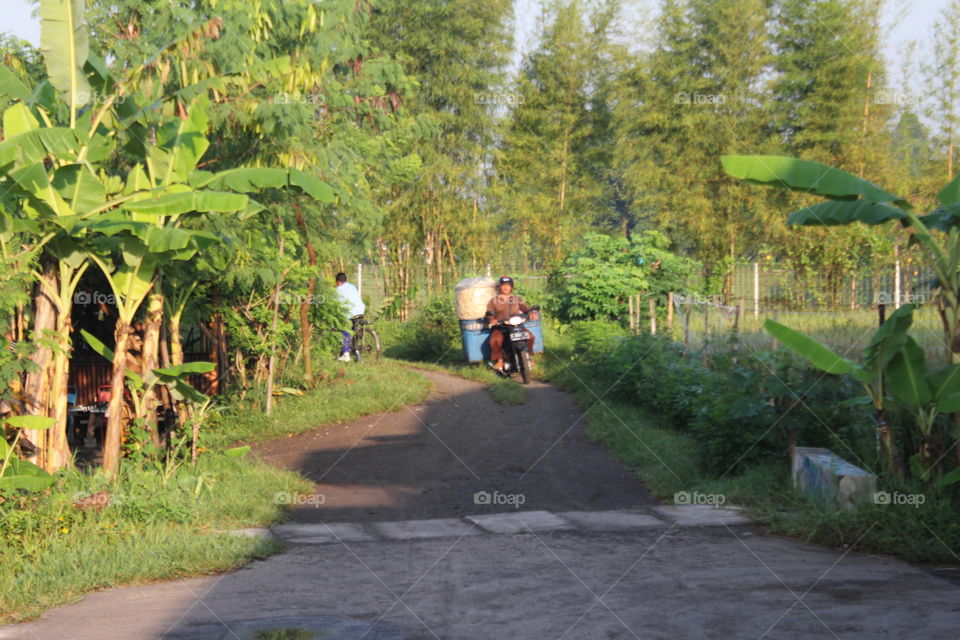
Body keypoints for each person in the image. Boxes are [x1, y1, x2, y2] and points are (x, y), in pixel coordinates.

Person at [485, 276, 538, 371]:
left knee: (531, 336)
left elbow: (526, 309)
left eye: (508, 285)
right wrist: (492, 320)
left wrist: (532, 313)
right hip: (501, 327)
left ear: (511, 287)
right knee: (494, 340)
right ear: (499, 287)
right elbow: (490, 314)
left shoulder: (517, 299)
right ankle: (499, 360)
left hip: (517, 326)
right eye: (503, 285)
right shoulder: (493, 301)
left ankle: (528, 357)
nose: (506, 287)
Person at [335, 271, 365, 362]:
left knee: (345, 330)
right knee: (352, 328)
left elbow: (336, 304)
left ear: (338, 282)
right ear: (346, 280)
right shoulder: (352, 286)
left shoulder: (338, 289)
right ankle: (354, 347)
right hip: (360, 311)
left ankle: (346, 354)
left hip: (350, 313)